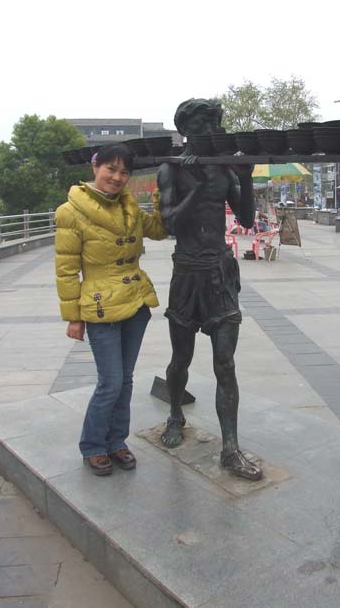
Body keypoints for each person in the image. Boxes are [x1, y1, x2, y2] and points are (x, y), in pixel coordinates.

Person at [157, 98, 263, 481]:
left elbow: (247, 219)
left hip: (219, 271)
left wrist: (245, 177)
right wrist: (197, 188)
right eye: (202, 126)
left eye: (215, 125)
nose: (211, 132)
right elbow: (168, 222)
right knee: (181, 358)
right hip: (187, 273)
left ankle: (230, 448)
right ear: (186, 130)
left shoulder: (223, 167)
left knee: (225, 363)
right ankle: (175, 414)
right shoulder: (171, 169)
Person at [55, 145, 168, 476]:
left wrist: (163, 192)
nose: (117, 177)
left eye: (124, 172)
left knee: (126, 380)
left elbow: (160, 230)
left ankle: (117, 440)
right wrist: (74, 317)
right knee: (111, 382)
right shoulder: (70, 212)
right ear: (95, 167)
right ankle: (93, 445)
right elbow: (66, 270)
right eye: (111, 169)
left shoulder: (129, 207)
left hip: (135, 302)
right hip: (100, 307)